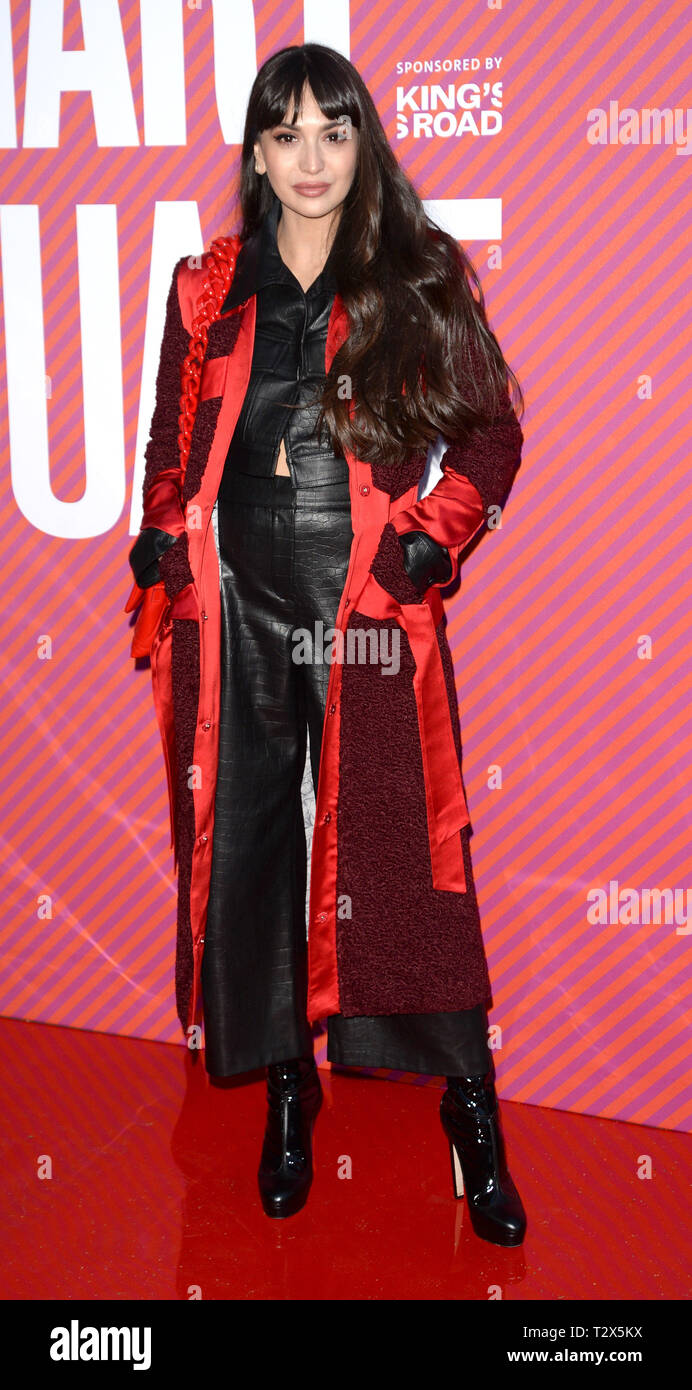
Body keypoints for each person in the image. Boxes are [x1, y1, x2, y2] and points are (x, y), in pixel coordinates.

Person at [126, 43, 527, 1246]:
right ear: (254, 150)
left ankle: (470, 1107)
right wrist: (155, 536)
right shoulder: (204, 285)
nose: (310, 159)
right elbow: (164, 449)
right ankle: (286, 1088)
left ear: (362, 145)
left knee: (402, 863)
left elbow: (493, 441)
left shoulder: (417, 275)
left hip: (363, 607)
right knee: (244, 846)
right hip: (235, 600)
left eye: (333, 132)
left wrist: (426, 543)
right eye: (286, 133)